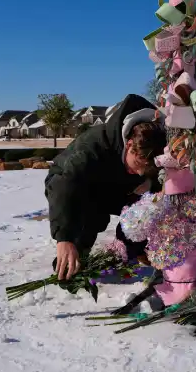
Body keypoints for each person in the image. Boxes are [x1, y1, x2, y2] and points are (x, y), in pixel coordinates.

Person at [44, 94, 167, 281]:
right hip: (73, 185)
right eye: (138, 165)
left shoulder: (156, 143)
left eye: (147, 169)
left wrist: (150, 182)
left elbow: (159, 181)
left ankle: (129, 250)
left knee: (148, 205)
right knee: (90, 219)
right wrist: (65, 238)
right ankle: (72, 259)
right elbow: (65, 186)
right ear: (130, 145)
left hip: (116, 185)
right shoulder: (91, 148)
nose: (141, 172)